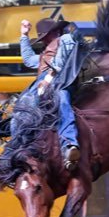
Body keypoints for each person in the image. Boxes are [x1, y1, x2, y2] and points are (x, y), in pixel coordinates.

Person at [19, 18, 82, 170]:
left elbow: (59, 64)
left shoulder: (66, 39)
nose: (44, 40)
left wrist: (47, 79)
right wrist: (24, 35)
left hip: (61, 81)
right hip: (43, 85)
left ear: (53, 33)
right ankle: (15, 156)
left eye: (44, 36)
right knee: (21, 109)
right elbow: (28, 60)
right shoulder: (44, 55)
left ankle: (69, 145)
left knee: (62, 99)